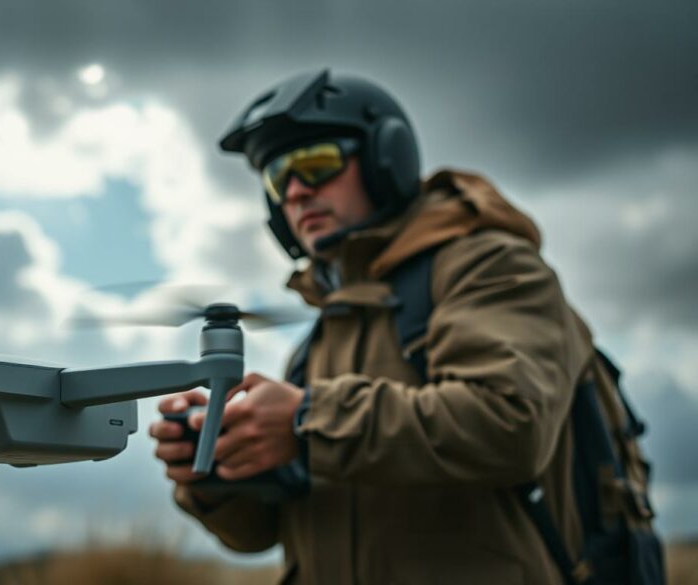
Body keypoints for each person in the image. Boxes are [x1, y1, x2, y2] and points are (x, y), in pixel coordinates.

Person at [148, 69, 656, 584]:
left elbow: (511, 423)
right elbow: (265, 532)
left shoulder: (490, 266)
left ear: (385, 158)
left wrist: (304, 423)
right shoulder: (322, 338)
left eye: (317, 164)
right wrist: (217, 471)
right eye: (279, 178)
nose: (296, 192)